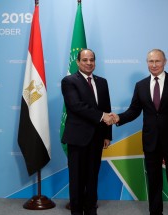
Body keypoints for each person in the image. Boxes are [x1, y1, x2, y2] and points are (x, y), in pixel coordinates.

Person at [110, 49, 168, 215]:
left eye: (157, 61)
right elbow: (134, 110)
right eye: (150, 61)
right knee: (153, 180)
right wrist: (118, 117)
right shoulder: (140, 85)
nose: (154, 65)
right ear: (147, 63)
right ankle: (155, 212)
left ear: (165, 62)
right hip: (150, 141)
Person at [61, 49, 113, 215]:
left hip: (97, 138)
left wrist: (107, 134)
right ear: (78, 62)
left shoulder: (102, 82)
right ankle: (76, 211)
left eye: (91, 59)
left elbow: (107, 108)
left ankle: (91, 210)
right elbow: (75, 106)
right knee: (76, 179)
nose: (89, 63)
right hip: (77, 138)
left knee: (92, 177)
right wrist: (102, 116)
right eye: (85, 60)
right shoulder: (69, 81)